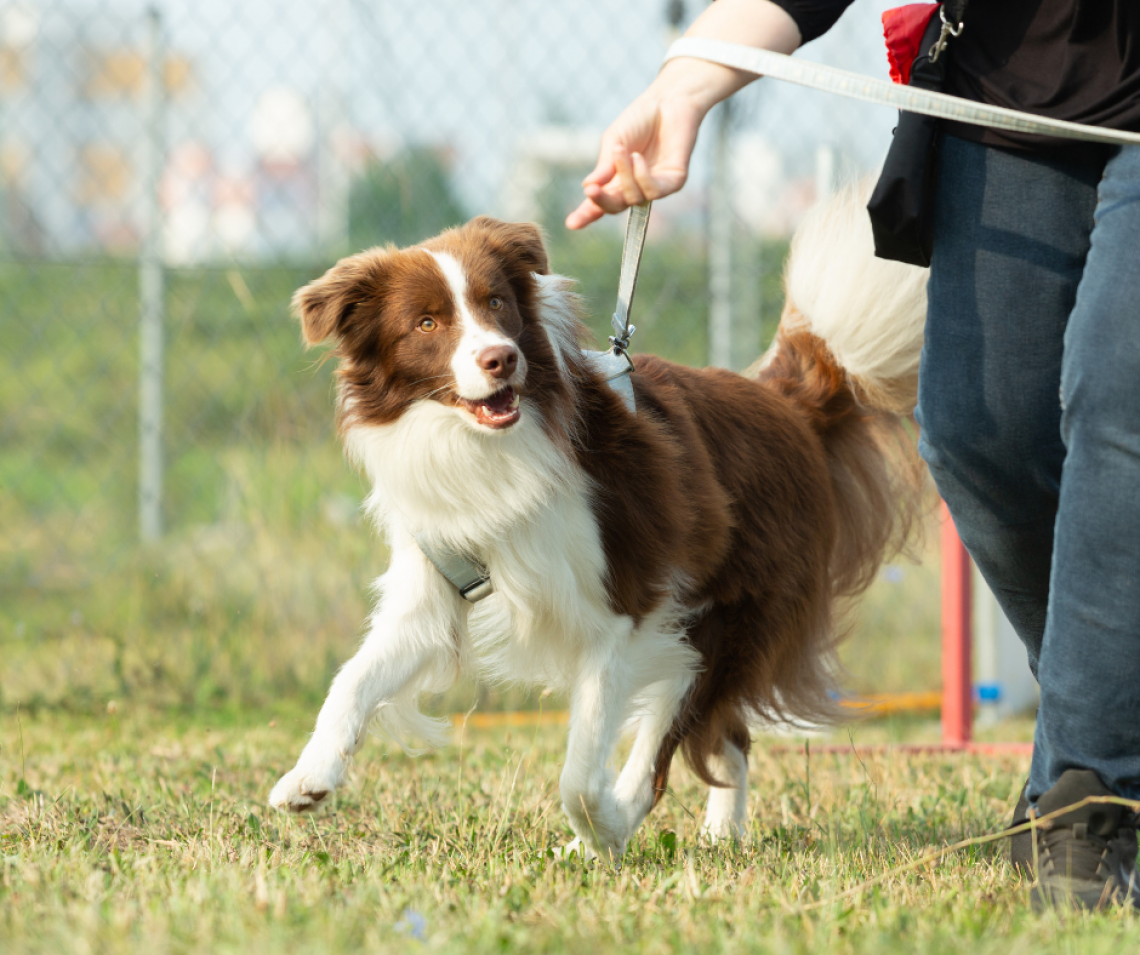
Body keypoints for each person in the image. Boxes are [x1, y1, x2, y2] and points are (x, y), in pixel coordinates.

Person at [567, 0, 1140, 910]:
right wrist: (687, 81)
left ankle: (1092, 800)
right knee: (973, 432)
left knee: (1122, 396)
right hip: (1014, 90)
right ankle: (1105, 735)